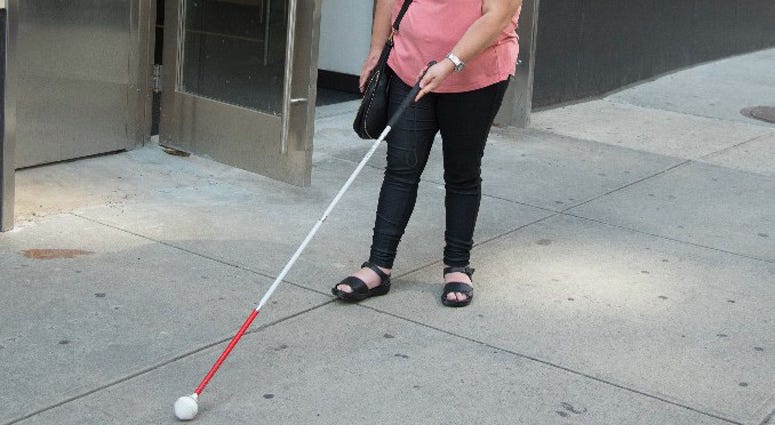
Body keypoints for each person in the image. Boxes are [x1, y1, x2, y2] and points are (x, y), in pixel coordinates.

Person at [332, 0, 522, 307]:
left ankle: (457, 266)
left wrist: (449, 63)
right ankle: (378, 266)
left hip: (475, 76)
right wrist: (376, 49)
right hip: (408, 68)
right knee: (400, 168)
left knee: (462, 171)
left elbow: (498, 16)